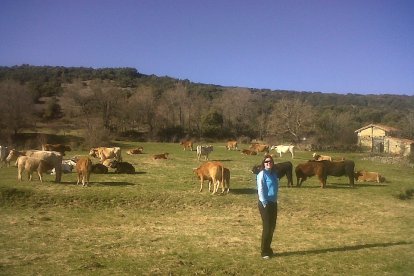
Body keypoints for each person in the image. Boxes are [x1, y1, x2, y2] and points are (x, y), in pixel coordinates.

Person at [256, 154, 279, 259]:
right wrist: (264, 202)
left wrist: (275, 200)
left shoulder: (274, 174)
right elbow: (260, 189)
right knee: (267, 227)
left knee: (272, 227)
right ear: (263, 164)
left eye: (270, 161)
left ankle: (268, 248)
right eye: (266, 162)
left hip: (273, 203)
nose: (268, 163)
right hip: (265, 203)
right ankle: (264, 251)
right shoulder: (262, 174)